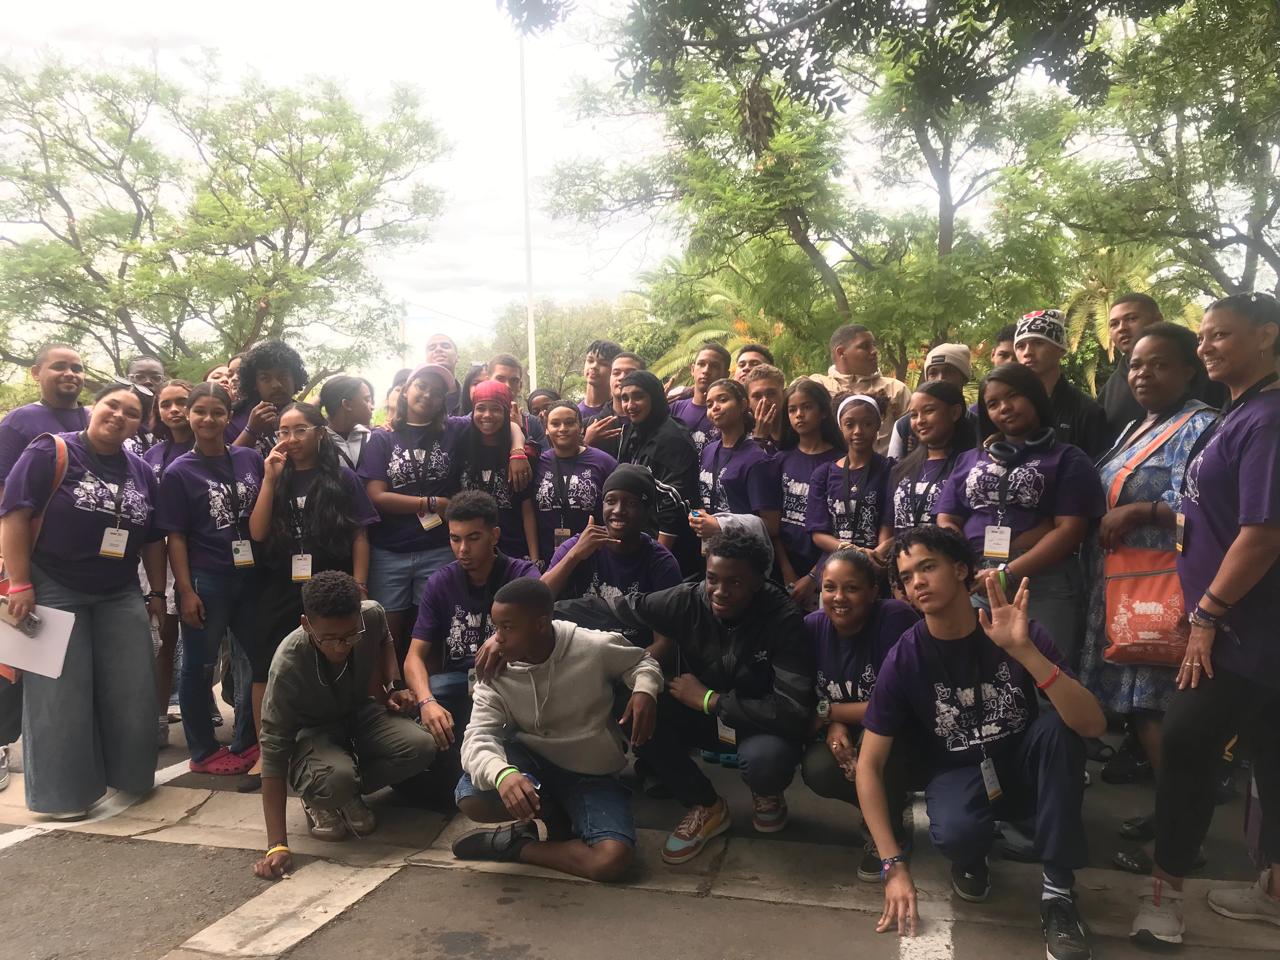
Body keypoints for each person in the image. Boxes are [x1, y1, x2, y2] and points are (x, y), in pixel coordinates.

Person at [860, 526, 1105, 960]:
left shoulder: (1015, 629)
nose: (917, 582)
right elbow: (869, 764)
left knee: (1060, 731)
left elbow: (1092, 724)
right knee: (957, 836)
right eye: (907, 576)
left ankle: (1058, 895)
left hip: (1021, 761)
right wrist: (892, 865)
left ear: (961, 570)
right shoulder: (906, 656)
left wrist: (1025, 652)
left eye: (928, 567)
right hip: (958, 769)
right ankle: (977, 850)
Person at [1130, 293, 1280, 946]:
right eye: (1203, 335)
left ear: (1267, 336)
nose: (1207, 345)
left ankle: (1164, 899)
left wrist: (1208, 615)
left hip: (1244, 629)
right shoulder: (1240, 409)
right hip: (1236, 624)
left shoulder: (1269, 419)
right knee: (1272, 751)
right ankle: (1275, 893)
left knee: (1187, 744)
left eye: (1221, 334)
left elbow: (1264, 532)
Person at [548, 528, 815, 862]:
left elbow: (792, 710)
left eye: (734, 582)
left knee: (765, 760)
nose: (720, 592)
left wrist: (709, 700)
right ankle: (706, 805)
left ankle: (767, 791)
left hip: (757, 725)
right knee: (632, 703)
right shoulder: (689, 599)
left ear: (758, 581)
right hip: (701, 718)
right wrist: (537, 611)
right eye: (712, 578)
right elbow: (614, 608)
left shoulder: (783, 618)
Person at [1076, 324, 1216, 864]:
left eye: (1159, 364)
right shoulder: (1139, 425)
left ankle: (1183, 843)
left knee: (1158, 713)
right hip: (1122, 587)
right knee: (1142, 711)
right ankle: (1170, 815)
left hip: (1163, 592)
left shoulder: (1201, 426)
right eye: (1136, 364)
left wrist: (1143, 510)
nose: (1143, 374)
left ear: (1188, 370)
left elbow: (1208, 505)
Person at [0, 381, 167, 816]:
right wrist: (20, 582)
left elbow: (153, 539)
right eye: (113, 405)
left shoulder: (141, 470)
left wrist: (156, 592)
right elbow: (14, 515)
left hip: (120, 590)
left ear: (140, 424)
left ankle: (132, 776)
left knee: (134, 688)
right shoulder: (50, 450)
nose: (119, 415)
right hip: (53, 584)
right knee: (59, 696)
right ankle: (64, 797)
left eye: (132, 413)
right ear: (94, 406)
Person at [451, 578, 663, 880]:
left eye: (507, 627)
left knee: (612, 860)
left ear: (540, 625)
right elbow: (477, 737)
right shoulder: (496, 668)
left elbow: (643, 661)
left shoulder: (593, 647)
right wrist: (502, 774)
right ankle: (549, 812)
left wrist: (645, 690)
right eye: (496, 627)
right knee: (472, 796)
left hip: (590, 774)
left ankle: (516, 846)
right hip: (532, 766)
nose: (497, 639)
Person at [251, 572, 438, 874]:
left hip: (360, 713)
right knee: (334, 781)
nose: (341, 647)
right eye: (330, 639)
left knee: (422, 746)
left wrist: (392, 685)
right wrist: (277, 845)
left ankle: (345, 789)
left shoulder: (371, 615)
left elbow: (385, 638)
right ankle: (320, 793)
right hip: (312, 732)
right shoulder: (288, 664)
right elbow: (273, 750)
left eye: (351, 636)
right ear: (306, 624)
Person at [242, 401, 379, 787]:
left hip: (329, 581)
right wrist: (269, 480)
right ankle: (267, 756)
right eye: (283, 431)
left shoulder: (341, 476)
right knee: (264, 664)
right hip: (280, 582)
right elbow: (257, 532)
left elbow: (360, 535)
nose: (291, 439)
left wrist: (359, 584)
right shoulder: (275, 474)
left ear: (319, 433)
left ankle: (338, 744)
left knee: (333, 661)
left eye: (300, 430)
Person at [936, 363, 1104, 668]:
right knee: (977, 673)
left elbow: (1070, 530)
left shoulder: (1068, 458)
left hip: (1042, 583)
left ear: (1034, 396)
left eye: (1013, 395)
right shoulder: (968, 459)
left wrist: (1008, 573)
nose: (1004, 408)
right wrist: (967, 563)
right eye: (993, 403)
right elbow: (947, 518)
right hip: (977, 579)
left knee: (1046, 676)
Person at [359, 364, 501, 660]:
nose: (427, 395)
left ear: (442, 402)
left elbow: (500, 420)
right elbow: (376, 495)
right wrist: (431, 503)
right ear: (405, 390)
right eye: (421, 386)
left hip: (438, 548)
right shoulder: (382, 437)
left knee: (433, 631)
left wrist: (517, 451)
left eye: (436, 393)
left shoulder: (454, 429)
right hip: (390, 550)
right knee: (386, 631)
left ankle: (429, 685)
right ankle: (391, 685)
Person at [155, 382, 261, 775]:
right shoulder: (179, 471)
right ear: (189, 415)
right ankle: (202, 750)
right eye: (200, 411)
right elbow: (175, 537)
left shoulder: (250, 458)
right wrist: (184, 590)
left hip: (252, 578)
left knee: (253, 662)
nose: (208, 419)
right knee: (199, 665)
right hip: (207, 578)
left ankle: (247, 739)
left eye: (218, 411)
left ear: (229, 416)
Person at [402, 492, 540, 791]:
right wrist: (427, 702)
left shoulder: (522, 575)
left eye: (473, 538)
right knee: (425, 699)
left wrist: (501, 639)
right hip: (459, 684)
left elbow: (540, 633)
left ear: (495, 535)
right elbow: (414, 657)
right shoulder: (440, 582)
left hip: (509, 683)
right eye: (455, 539)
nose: (462, 549)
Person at [800, 548, 920, 878]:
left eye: (851, 588)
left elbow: (897, 704)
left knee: (877, 746)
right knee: (818, 768)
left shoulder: (894, 618)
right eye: (829, 587)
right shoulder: (811, 627)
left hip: (900, 731)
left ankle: (887, 834)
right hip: (845, 728)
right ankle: (884, 813)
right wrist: (833, 723)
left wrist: (830, 713)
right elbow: (805, 696)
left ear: (872, 592)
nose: (839, 598)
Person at [542, 464, 683, 654]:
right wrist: (574, 556)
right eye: (611, 501)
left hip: (634, 659)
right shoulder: (576, 546)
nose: (618, 510)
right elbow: (536, 601)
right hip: (575, 656)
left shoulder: (661, 563)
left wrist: (630, 668)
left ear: (647, 511)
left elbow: (665, 643)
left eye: (631, 503)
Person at [143, 379, 197, 744]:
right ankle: (159, 720)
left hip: (200, 554)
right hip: (157, 557)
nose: (175, 410)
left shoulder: (211, 446)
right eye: (166, 404)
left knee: (199, 645)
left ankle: (200, 718)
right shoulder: (152, 455)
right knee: (163, 640)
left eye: (182, 402)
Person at [762, 378, 843, 609]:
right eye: (792, 409)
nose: (799, 415)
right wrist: (786, 569)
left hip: (828, 565)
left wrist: (813, 576)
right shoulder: (781, 459)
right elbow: (774, 521)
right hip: (785, 563)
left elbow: (842, 527)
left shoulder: (839, 461)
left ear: (823, 412)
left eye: (807, 407)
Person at [1099, 294, 1226, 433]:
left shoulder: (1208, 370)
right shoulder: (1111, 389)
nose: (1121, 328)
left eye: (1131, 319)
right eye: (1114, 324)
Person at [616, 369, 700, 563]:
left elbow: (673, 503)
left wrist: (656, 561)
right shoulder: (633, 432)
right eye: (625, 398)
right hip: (641, 538)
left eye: (638, 396)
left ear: (654, 397)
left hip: (670, 550)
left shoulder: (672, 438)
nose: (630, 405)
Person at [806, 395, 893, 575]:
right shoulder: (823, 474)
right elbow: (818, 534)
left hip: (875, 567)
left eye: (867, 424)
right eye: (849, 424)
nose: (858, 431)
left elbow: (889, 523)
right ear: (840, 426)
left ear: (878, 425)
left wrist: (876, 557)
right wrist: (858, 553)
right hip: (834, 569)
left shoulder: (890, 470)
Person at [458, 379, 538, 563]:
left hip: (513, 552)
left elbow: (527, 509)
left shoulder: (521, 456)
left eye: (495, 409)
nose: (487, 415)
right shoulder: (461, 447)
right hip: (471, 551)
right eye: (481, 408)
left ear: (506, 412)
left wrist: (534, 558)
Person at [687, 379, 771, 552]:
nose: (715, 408)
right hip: (713, 550)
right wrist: (699, 517)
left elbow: (771, 525)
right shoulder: (709, 450)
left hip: (745, 553)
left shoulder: (757, 459)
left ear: (743, 405)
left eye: (723, 400)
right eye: (709, 404)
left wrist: (721, 525)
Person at [1013, 310, 1110, 458]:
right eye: (1020, 346)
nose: (1027, 352)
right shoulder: (1008, 407)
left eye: (1038, 343)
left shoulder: (1087, 411)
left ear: (1060, 349)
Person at [887, 381, 977, 539]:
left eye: (928, 411)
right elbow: (889, 525)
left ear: (955, 413)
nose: (920, 421)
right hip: (902, 553)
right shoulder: (900, 469)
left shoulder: (971, 467)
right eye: (913, 415)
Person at [532, 401, 617, 562]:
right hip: (549, 560)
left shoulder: (604, 463)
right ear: (546, 429)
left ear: (581, 427)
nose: (563, 428)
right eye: (555, 424)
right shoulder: (538, 463)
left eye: (569, 422)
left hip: (596, 558)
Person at [808, 325, 910, 454]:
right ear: (841, 352)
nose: (874, 351)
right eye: (865, 346)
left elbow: (913, 436)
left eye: (874, 345)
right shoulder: (817, 386)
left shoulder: (896, 389)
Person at [0, 344, 89, 484]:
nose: (70, 374)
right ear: (36, 373)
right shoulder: (18, 421)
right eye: (59, 367)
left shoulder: (97, 419)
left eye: (76, 369)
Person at [886, 343, 975, 460]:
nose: (940, 379)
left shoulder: (978, 426)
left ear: (964, 378)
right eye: (933, 373)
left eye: (948, 372)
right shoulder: (904, 427)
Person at [228, 340, 308, 457]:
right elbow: (225, 463)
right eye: (265, 378)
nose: (276, 385)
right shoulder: (234, 418)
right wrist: (251, 430)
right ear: (254, 383)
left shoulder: (308, 416)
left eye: (283, 376)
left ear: (294, 378)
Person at [670, 341, 730, 457]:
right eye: (701, 364)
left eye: (714, 366)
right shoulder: (674, 409)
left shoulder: (728, 414)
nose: (706, 370)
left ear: (726, 375)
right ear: (692, 370)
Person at [583, 351, 645, 459]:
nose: (622, 377)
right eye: (616, 373)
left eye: (630, 373)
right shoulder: (589, 426)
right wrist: (586, 443)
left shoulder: (655, 423)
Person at [319, 375, 375, 470]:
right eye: (367, 400)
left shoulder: (372, 437)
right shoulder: (318, 443)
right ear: (347, 404)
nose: (372, 407)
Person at [123, 354, 167, 456]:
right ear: (127, 380)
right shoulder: (115, 416)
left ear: (163, 381)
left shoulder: (171, 421)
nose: (148, 382)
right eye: (139, 377)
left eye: (156, 377)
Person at [578, 339, 623, 422]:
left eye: (603, 363)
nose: (594, 366)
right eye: (590, 361)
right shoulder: (574, 414)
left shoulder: (622, 411)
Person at [744, 363, 786, 448]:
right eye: (757, 396)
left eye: (771, 394)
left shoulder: (800, 432)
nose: (765, 402)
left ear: (784, 395)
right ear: (748, 403)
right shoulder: (742, 438)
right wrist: (759, 438)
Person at [425, 333, 462, 414]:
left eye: (445, 346)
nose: (438, 349)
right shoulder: (414, 401)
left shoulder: (471, 398)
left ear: (457, 357)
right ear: (426, 359)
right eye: (432, 348)